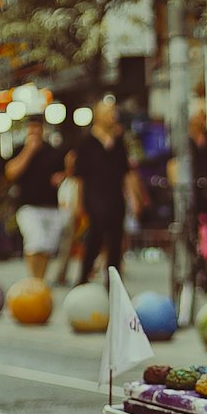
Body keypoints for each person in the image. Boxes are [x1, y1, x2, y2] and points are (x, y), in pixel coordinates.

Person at [66, 96, 145, 287]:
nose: (113, 117)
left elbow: (126, 173)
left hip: (115, 194)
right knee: (97, 229)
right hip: (94, 194)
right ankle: (84, 276)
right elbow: (79, 177)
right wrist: (78, 203)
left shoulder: (118, 143)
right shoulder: (87, 142)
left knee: (116, 237)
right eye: (109, 113)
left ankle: (113, 281)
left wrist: (134, 199)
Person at [5, 114, 66, 281]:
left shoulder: (53, 152)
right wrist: (29, 151)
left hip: (51, 206)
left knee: (47, 246)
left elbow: (65, 173)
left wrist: (62, 177)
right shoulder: (19, 150)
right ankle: (33, 279)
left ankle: (40, 279)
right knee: (35, 241)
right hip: (28, 206)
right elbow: (11, 172)